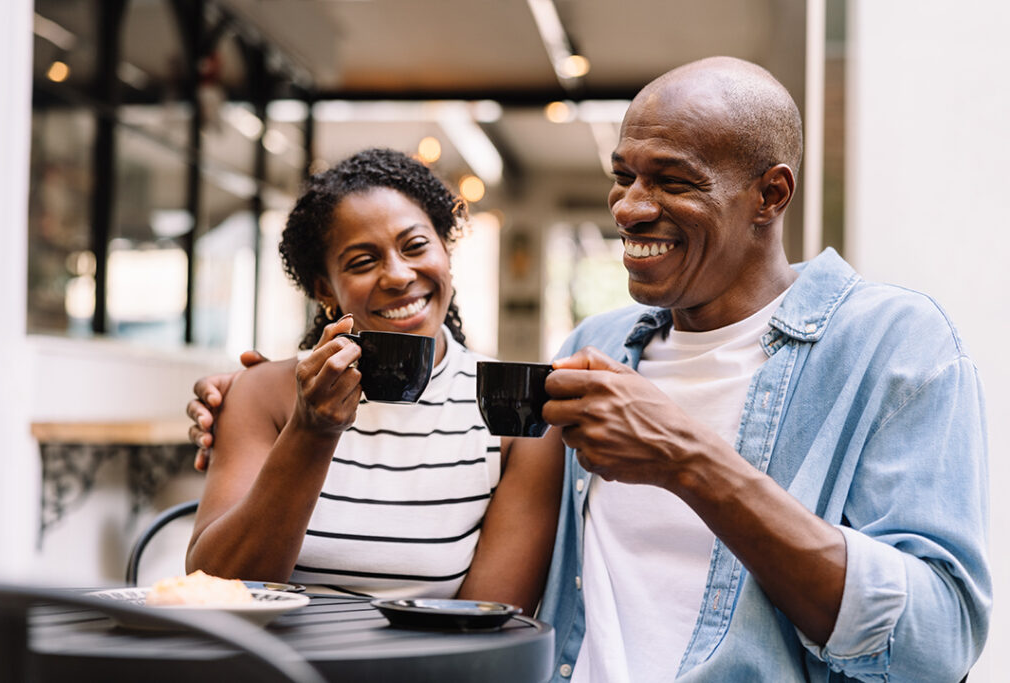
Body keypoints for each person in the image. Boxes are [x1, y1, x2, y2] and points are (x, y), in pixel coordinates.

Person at [190, 58, 990, 681]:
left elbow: (936, 646)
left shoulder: (896, 344)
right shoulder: (597, 346)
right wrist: (251, 404)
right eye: (623, 177)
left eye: (671, 179)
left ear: (769, 194)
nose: (630, 208)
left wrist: (690, 457)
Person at [185, 148, 562, 613]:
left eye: (416, 246)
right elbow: (217, 587)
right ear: (325, 289)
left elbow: (488, 623)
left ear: (446, 249)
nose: (399, 275)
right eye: (363, 261)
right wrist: (311, 430)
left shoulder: (513, 412)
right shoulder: (264, 393)